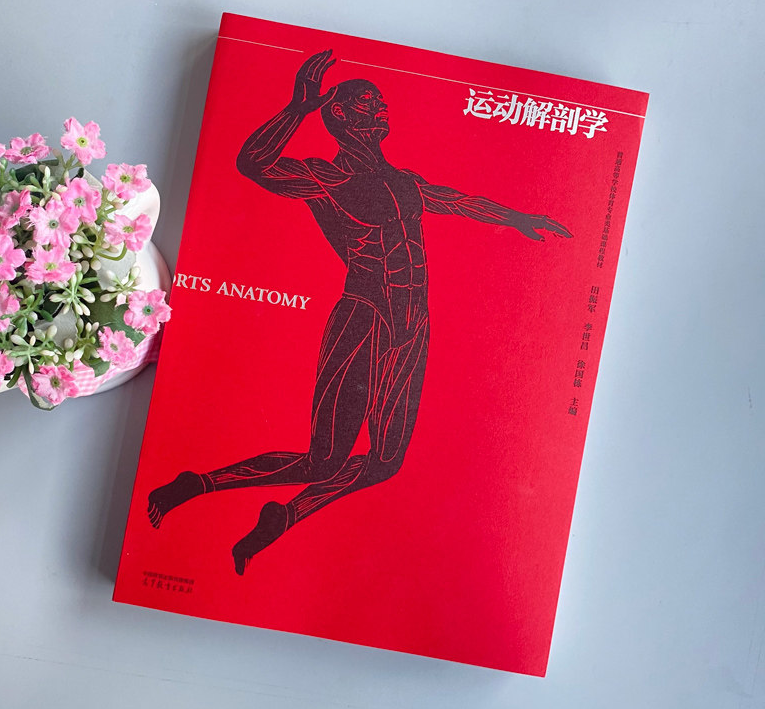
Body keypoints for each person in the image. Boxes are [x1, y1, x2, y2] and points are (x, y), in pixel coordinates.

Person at [147, 50, 571, 574]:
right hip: (364, 316)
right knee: (322, 460)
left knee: (385, 463)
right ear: (340, 114)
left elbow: (459, 201)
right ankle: (199, 484)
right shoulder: (325, 177)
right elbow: (253, 164)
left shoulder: (406, 182)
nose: (382, 108)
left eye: (382, 101)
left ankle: (285, 515)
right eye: (369, 102)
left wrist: (519, 217)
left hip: (413, 323)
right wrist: (298, 108)